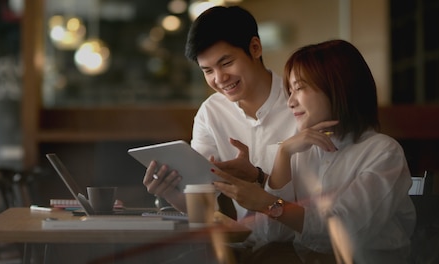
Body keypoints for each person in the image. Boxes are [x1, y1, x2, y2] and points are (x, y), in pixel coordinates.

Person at [212, 39, 417, 263]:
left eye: (299, 88)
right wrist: (284, 154)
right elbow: (274, 234)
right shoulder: (301, 151)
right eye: (289, 91)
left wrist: (266, 203)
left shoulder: (383, 152)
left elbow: (342, 231)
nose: (290, 102)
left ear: (338, 85)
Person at [142, 4, 297, 253]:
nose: (220, 78)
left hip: (302, 245)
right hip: (247, 247)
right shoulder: (210, 113)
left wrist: (258, 176)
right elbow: (203, 206)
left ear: (255, 48)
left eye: (226, 63)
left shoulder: (298, 102)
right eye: (208, 71)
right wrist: (170, 192)